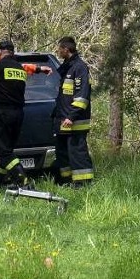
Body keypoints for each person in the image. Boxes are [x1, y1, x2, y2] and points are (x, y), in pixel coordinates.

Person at [0, 40, 51, 189]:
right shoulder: (20, 69)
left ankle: (23, 181)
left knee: (0, 152)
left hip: (3, 114)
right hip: (18, 114)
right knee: (7, 150)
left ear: (1, 52)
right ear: (12, 52)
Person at [52, 36, 94, 187]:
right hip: (63, 120)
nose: (58, 52)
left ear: (66, 49)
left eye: (60, 49)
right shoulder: (68, 67)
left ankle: (83, 183)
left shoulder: (80, 67)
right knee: (62, 152)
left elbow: (82, 96)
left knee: (77, 152)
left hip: (75, 121)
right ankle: (66, 181)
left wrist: (71, 116)